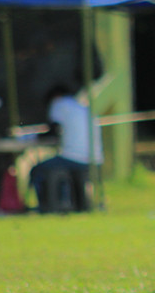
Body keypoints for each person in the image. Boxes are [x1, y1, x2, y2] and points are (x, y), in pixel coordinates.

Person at [28, 85, 101, 213]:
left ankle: (46, 205)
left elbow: (53, 131)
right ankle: (77, 205)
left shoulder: (58, 104)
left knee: (38, 170)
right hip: (96, 158)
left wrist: (33, 136)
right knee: (60, 168)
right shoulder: (82, 107)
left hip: (73, 158)